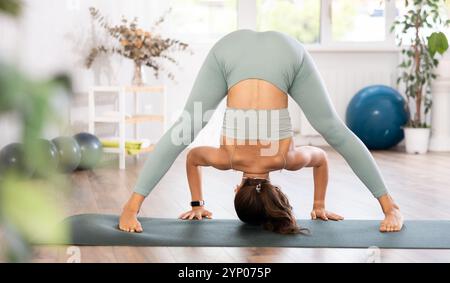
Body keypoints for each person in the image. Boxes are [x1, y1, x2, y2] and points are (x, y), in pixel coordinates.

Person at [119, 30, 403, 234]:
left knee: (332, 130)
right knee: (187, 128)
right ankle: (131, 207)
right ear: (237, 188)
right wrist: (197, 204)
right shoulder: (226, 159)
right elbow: (193, 157)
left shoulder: (286, 160)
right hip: (229, 51)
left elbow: (321, 159)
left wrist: (319, 205)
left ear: (275, 192)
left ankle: (390, 207)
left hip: (284, 52)